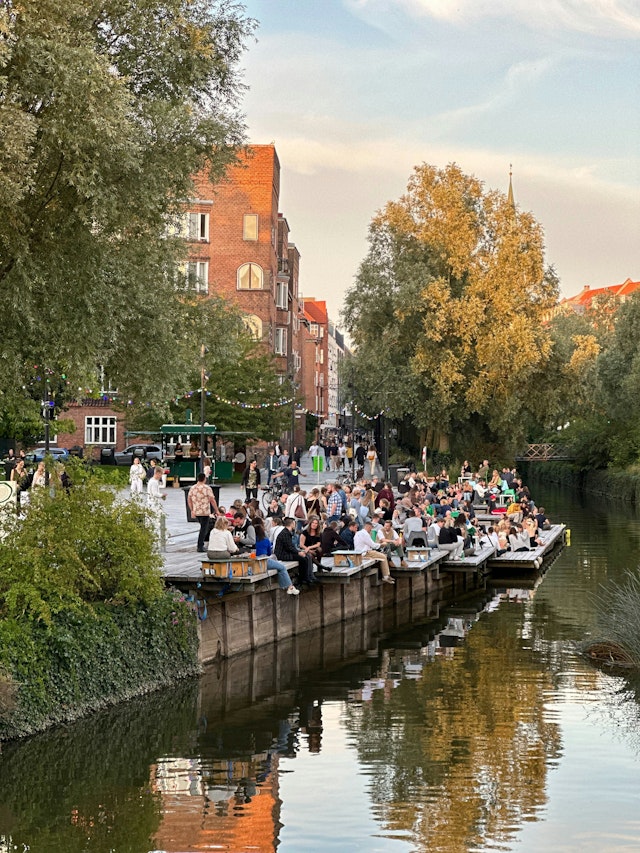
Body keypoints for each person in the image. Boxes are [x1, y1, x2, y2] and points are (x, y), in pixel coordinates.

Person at [253, 519, 300, 595]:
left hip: (254, 562)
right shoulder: (265, 540)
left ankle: (288, 586)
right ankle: (289, 587)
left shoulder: (254, 540)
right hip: (264, 560)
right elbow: (268, 553)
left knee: (279, 567)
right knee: (282, 567)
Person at [274, 517, 316, 587]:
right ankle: (302, 579)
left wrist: (299, 551)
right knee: (303, 559)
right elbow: (289, 547)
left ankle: (308, 576)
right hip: (282, 555)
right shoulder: (285, 533)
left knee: (306, 556)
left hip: (286, 552)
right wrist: (298, 553)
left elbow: (291, 547)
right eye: (294, 524)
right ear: (292, 524)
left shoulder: (286, 532)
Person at [353, 519, 395, 583]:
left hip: (358, 553)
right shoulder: (365, 534)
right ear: (368, 527)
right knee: (383, 556)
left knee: (379, 556)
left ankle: (385, 575)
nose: (371, 530)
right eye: (371, 529)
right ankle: (386, 576)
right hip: (365, 553)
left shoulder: (357, 533)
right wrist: (382, 544)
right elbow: (373, 545)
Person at [188, 472, 219, 553]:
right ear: (204, 479)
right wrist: (217, 510)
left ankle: (200, 544)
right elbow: (212, 500)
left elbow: (189, 499)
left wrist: (192, 510)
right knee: (203, 529)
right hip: (204, 511)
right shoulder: (207, 488)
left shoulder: (193, 488)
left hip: (196, 511)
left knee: (202, 527)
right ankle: (200, 546)